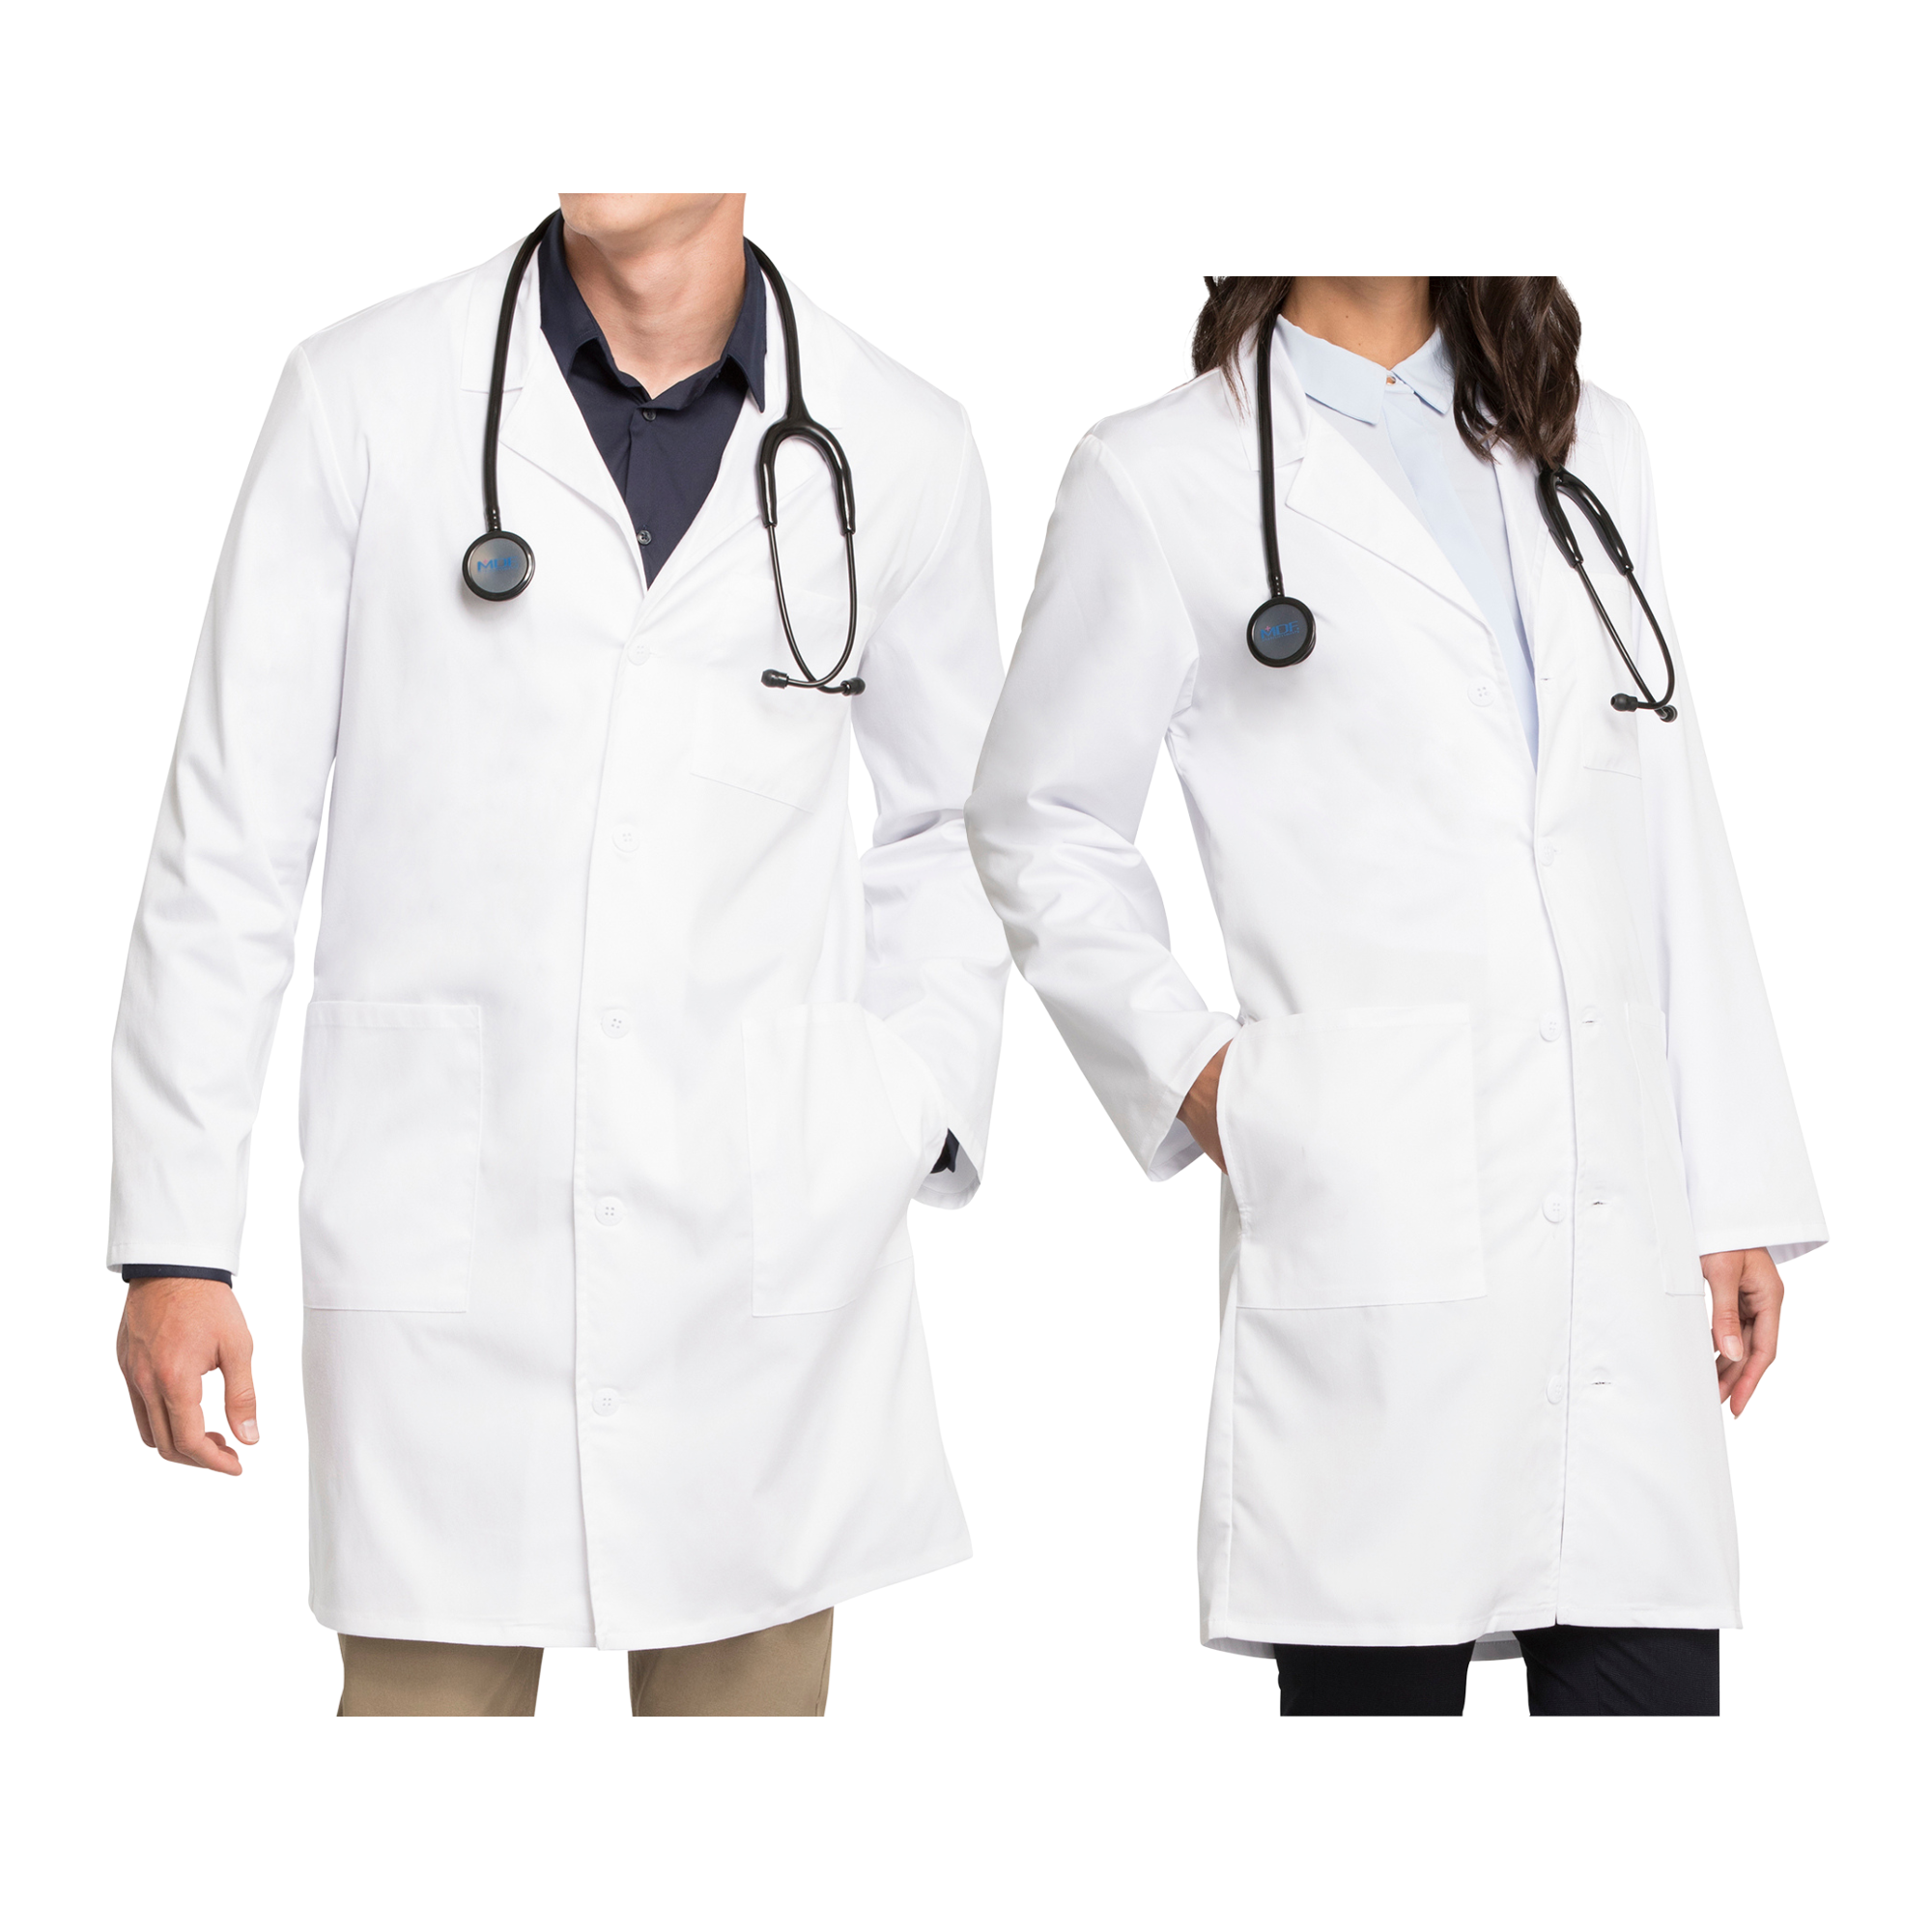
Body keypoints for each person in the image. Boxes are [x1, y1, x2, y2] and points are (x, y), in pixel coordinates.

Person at [109, 194, 1008, 1717]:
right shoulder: (365, 395)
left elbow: (958, 824)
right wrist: (176, 1240)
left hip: (762, 1259)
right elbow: (231, 836)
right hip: (447, 1252)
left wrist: (907, 1104)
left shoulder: (900, 440)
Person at [966, 276, 1825, 1717]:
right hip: (1373, 1216)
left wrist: (1731, 1189)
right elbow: (1037, 819)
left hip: (1614, 1234)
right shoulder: (1163, 472)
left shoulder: (1586, 439)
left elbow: (1663, 804)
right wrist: (1205, 1082)